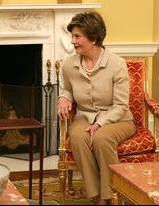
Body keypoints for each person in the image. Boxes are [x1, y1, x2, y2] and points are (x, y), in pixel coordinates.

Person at [57, 12, 135, 205]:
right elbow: (66, 88)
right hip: (84, 117)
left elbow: (120, 105)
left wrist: (99, 124)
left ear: (94, 38)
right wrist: (62, 99)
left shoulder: (117, 64)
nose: (72, 41)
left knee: (102, 137)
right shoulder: (69, 64)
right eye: (72, 36)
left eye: (77, 36)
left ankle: (114, 195)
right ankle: (98, 197)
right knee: (77, 137)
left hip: (118, 119)